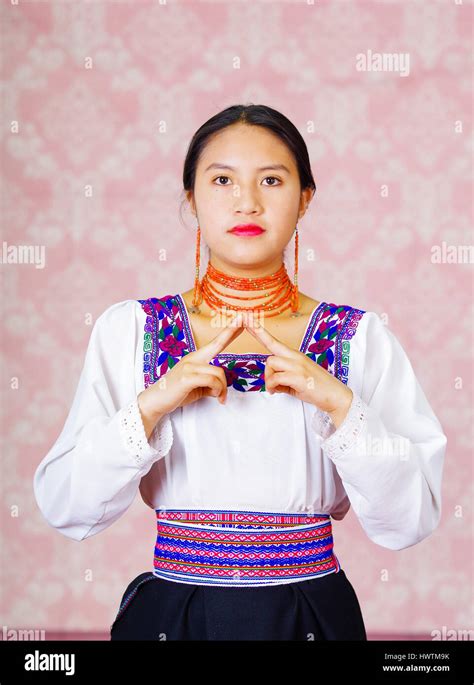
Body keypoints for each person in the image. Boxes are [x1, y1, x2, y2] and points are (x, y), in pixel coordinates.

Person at [33, 104, 447, 641]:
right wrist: (153, 403)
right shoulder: (133, 330)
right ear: (192, 199)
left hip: (311, 615)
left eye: (271, 180)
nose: (246, 201)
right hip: (174, 614)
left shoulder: (358, 338)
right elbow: (69, 508)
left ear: (304, 200)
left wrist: (341, 405)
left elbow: (409, 521)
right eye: (222, 179)